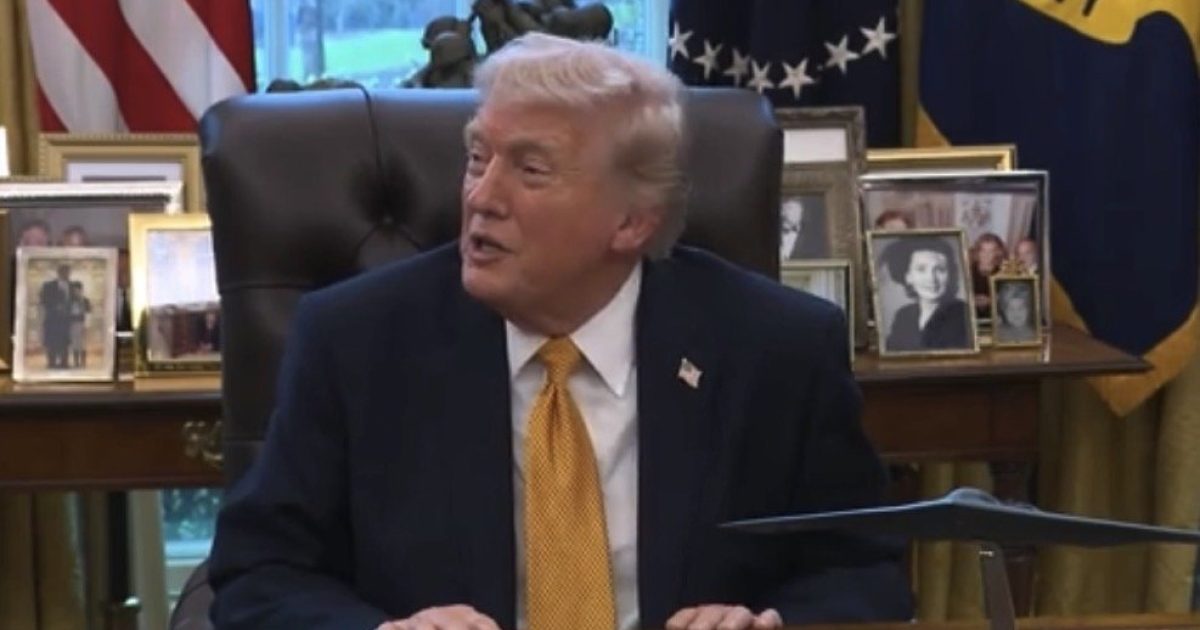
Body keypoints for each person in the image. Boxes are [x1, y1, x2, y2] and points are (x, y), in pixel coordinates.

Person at [208, 33, 912, 630]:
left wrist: (772, 624)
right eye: (478, 158)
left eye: (531, 170)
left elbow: (864, 569)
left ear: (631, 222)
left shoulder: (774, 348)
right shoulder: (357, 341)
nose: (481, 197)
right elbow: (256, 573)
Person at [881, 236, 972, 352]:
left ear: (950, 275)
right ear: (908, 276)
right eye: (921, 269)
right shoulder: (903, 315)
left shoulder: (963, 313)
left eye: (940, 269)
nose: (931, 278)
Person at [39, 265, 73, 368]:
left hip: (66, 319)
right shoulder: (48, 285)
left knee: (65, 341)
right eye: (64, 272)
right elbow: (43, 300)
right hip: (52, 319)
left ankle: (64, 362)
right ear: (59, 273)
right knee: (52, 341)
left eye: (68, 272)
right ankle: (51, 362)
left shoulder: (73, 285)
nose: (66, 274)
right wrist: (55, 306)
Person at [969, 232, 1006, 313]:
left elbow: (1008, 299)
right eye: (983, 250)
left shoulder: (1004, 273)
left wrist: (991, 301)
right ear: (977, 252)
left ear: (997, 253)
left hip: (994, 318)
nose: (986, 255)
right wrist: (971, 300)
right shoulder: (967, 271)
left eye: (991, 251)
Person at [67, 280, 91, 367]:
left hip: (82, 324)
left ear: (81, 290)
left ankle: (83, 362)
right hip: (73, 324)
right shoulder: (70, 301)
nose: (76, 291)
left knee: (83, 344)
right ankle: (76, 362)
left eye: (78, 290)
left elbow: (88, 314)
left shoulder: (85, 301)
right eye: (74, 290)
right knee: (75, 344)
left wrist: (86, 326)